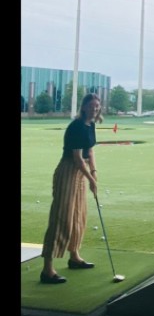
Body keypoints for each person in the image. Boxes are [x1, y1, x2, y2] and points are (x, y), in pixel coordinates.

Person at [41, 91, 102, 283]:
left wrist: (94, 172)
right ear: (83, 107)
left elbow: (89, 151)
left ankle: (74, 257)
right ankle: (47, 270)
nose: (95, 109)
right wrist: (91, 180)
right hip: (68, 171)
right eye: (92, 106)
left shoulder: (90, 125)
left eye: (97, 106)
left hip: (80, 173)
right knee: (62, 218)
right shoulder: (76, 126)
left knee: (78, 216)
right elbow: (76, 158)